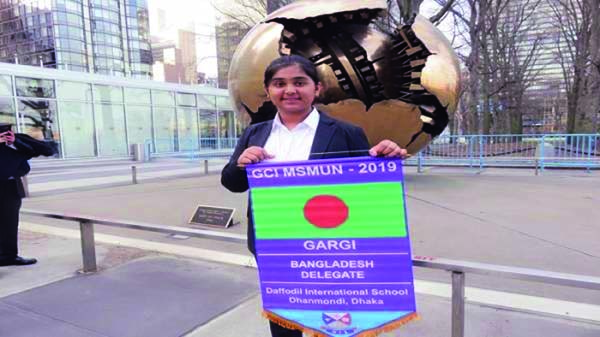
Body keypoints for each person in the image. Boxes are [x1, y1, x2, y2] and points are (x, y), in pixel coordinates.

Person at [221, 55, 407, 337]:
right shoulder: (255, 133)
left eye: (299, 82)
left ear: (316, 88)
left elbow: (365, 190)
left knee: (337, 321)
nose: (290, 90)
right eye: (279, 84)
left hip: (330, 247)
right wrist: (241, 163)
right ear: (268, 91)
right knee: (285, 320)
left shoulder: (346, 133)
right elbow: (232, 183)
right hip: (274, 245)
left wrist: (383, 158)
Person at [0, 123, 55, 267]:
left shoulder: (17, 139)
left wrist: (14, 142)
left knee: (10, 223)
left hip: (10, 187)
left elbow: (47, 150)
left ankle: (9, 256)